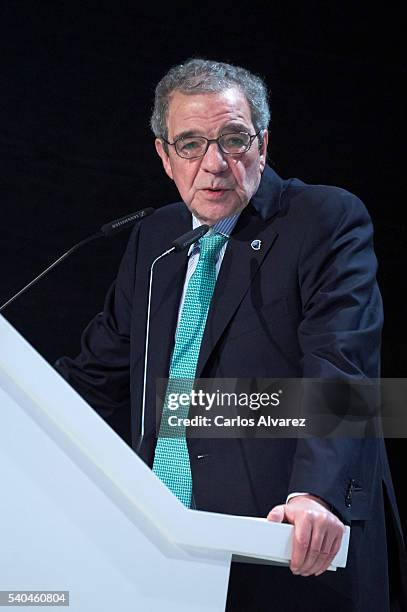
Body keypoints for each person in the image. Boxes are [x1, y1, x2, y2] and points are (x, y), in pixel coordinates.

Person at [56, 59, 406, 611]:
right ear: (164, 156)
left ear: (263, 144)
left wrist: (313, 492)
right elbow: (96, 374)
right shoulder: (155, 239)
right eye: (191, 144)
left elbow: (343, 363)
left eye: (234, 139)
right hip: (163, 549)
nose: (214, 164)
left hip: (290, 545)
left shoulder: (322, 218)